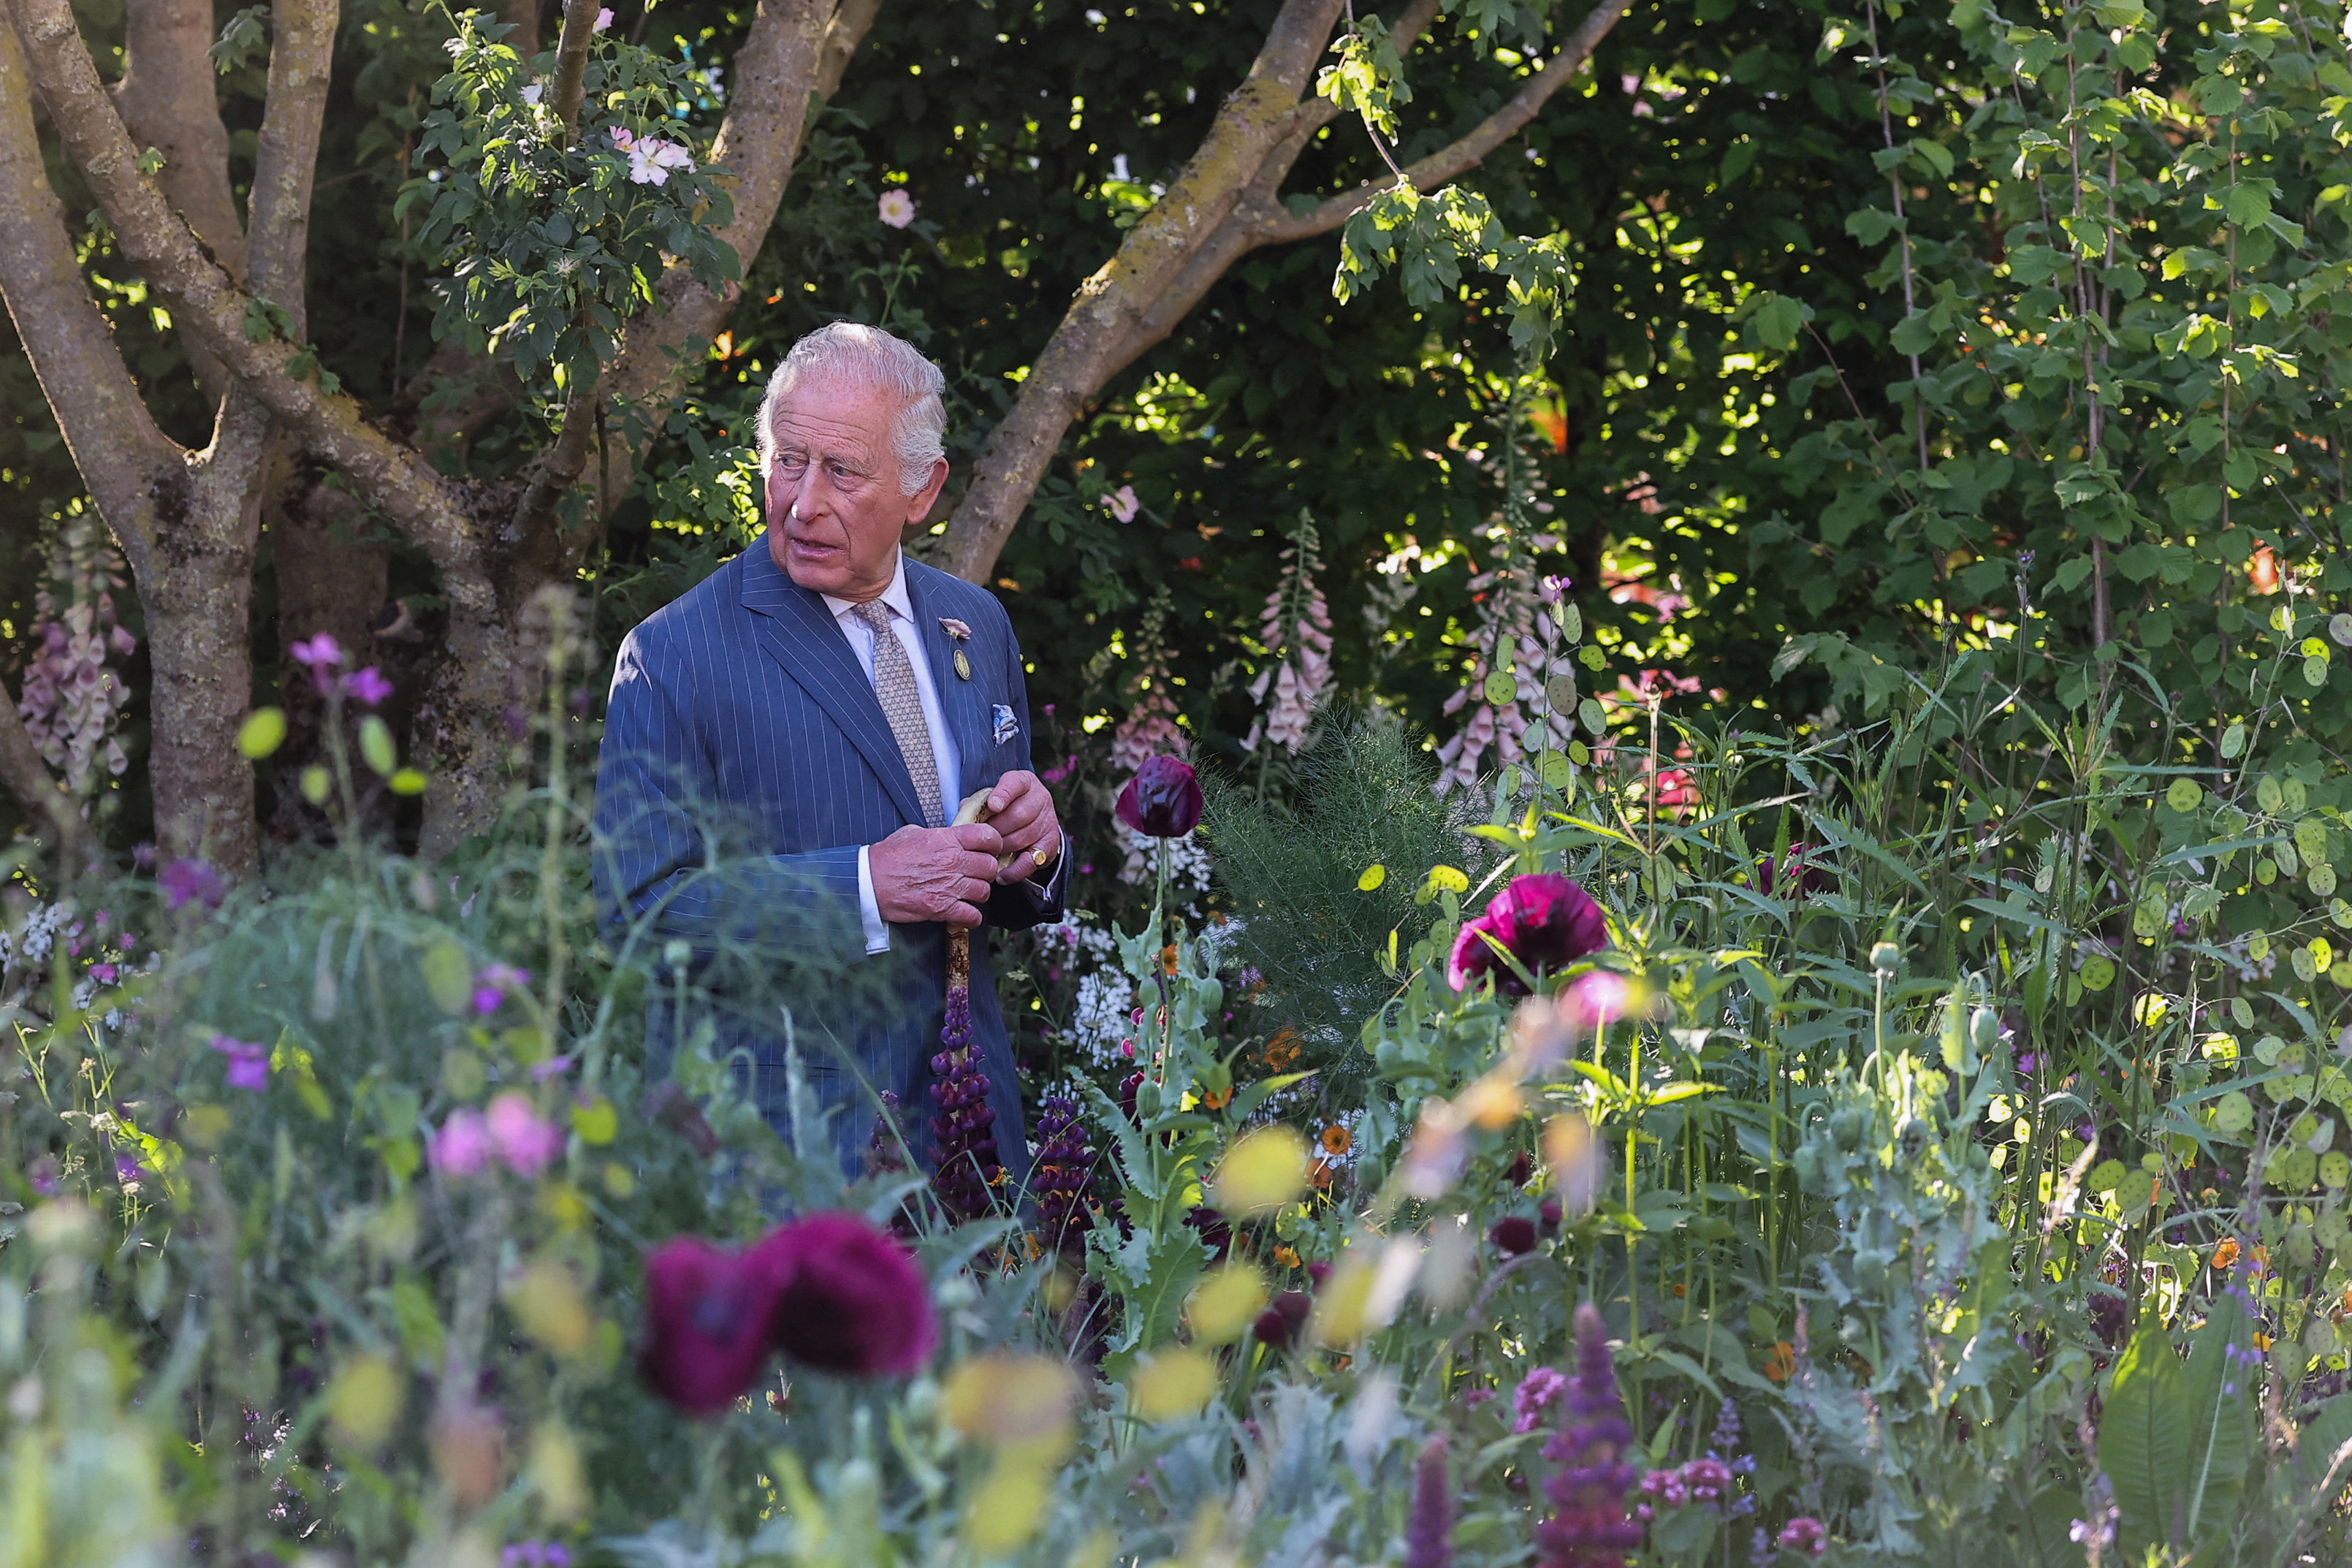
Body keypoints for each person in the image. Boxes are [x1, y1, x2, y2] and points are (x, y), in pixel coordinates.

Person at [593, 322, 1065, 1180]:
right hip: (788, 1158)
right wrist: (863, 888)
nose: (804, 502)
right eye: (787, 461)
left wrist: (1037, 847)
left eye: (842, 471)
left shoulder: (977, 623)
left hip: (973, 1146)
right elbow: (639, 915)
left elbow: (987, 862)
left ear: (923, 491)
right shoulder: (674, 654)